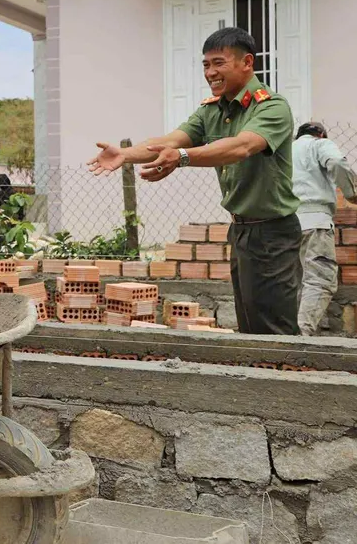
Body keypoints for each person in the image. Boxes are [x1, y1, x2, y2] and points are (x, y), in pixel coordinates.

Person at [88, 27, 301, 335]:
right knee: (251, 327)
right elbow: (170, 140)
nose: (210, 72)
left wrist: (183, 157)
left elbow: (241, 147)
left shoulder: (271, 106)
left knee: (275, 332)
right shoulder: (212, 111)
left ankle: (287, 381)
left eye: (218, 63)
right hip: (241, 231)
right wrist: (124, 154)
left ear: (247, 62)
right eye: (205, 65)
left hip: (273, 232)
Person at [292, 121, 357, 335]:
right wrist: (351, 193)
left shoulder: (284, 151)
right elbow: (337, 161)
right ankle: (301, 335)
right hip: (314, 222)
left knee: (294, 283)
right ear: (320, 134)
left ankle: (286, 332)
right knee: (319, 280)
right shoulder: (318, 144)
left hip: (284, 226)